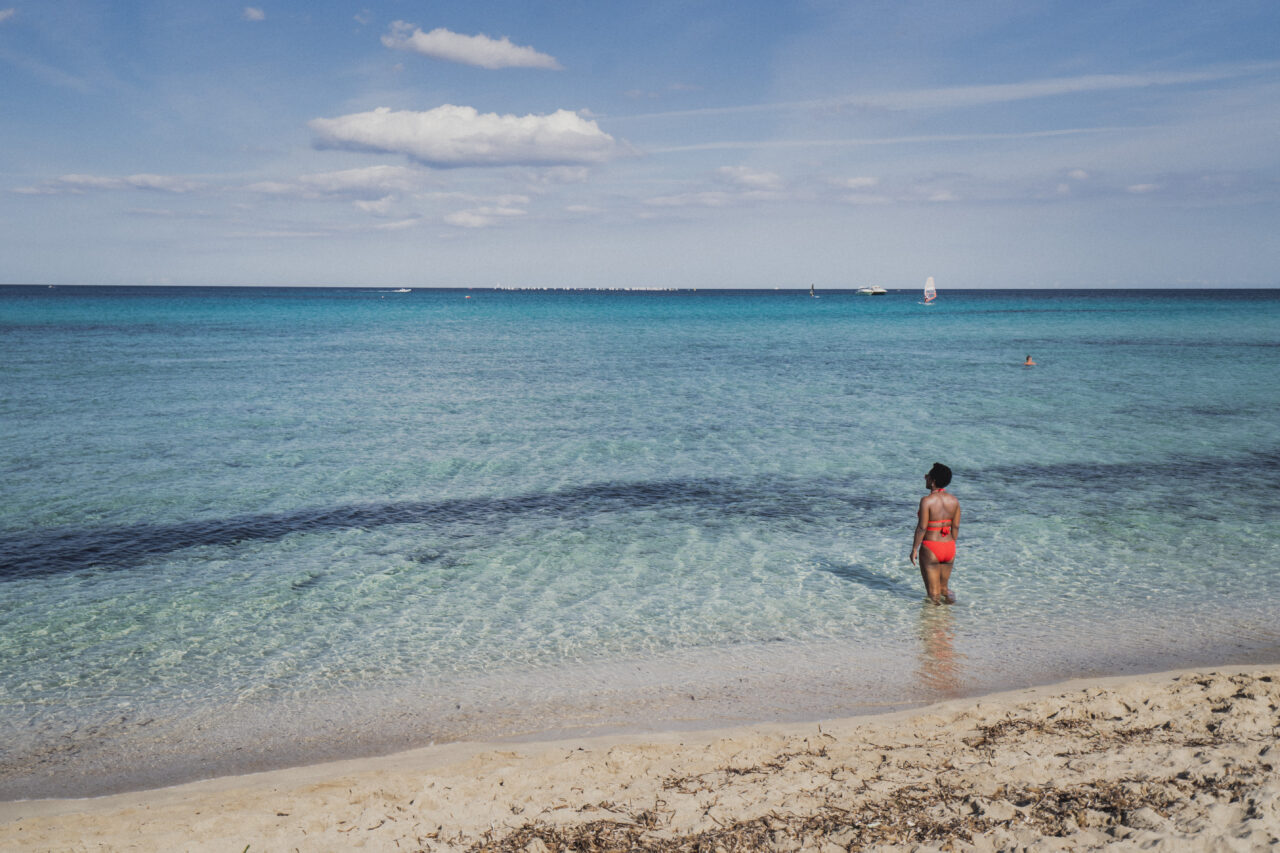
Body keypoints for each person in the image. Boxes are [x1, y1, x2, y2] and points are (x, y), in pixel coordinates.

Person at [910, 462, 961, 604]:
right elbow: (955, 527)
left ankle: (933, 624)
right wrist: (951, 545)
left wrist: (914, 548)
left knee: (933, 594)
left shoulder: (927, 501)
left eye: (927, 476)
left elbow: (922, 527)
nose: (925, 478)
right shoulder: (954, 501)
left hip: (931, 547)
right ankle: (950, 616)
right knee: (944, 589)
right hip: (949, 547)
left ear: (933, 481)